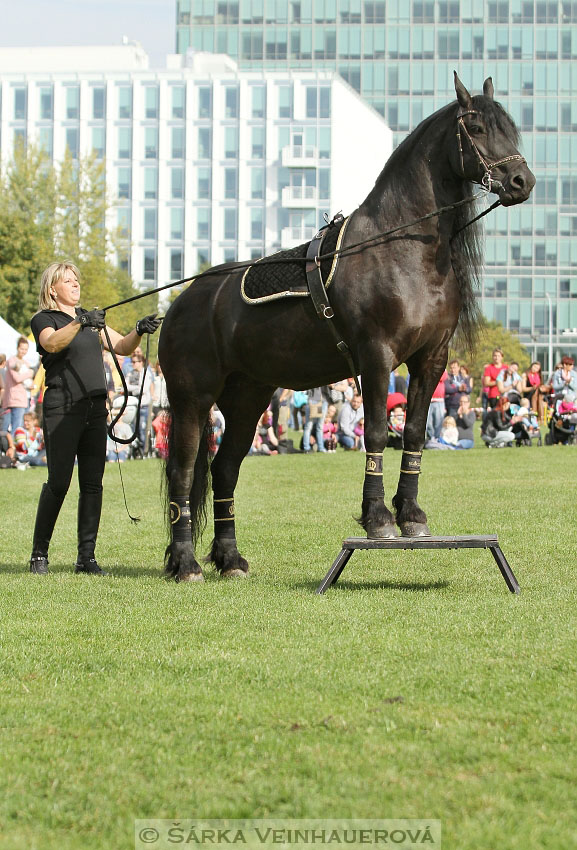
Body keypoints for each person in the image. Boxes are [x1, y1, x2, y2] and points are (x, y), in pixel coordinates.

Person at [28, 261, 161, 575]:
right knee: (59, 483)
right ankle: (38, 554)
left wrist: (138, 331)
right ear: (52, 288)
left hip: (94, 408)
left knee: (93, 484)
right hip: (62, 406)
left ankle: (86, 558)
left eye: (77, 280)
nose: (76, 284)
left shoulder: (90, 319)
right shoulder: (44, 319)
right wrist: (80, 322)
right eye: (68, 280)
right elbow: (51, 343)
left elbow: (122, 346)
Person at [2, 336, 35, 433]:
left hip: (24, 399)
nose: (23, 351)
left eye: (25, 349)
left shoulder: (26, 363)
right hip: (14, 398)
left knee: (21, 428)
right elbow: (17, 378)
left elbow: (27, 381)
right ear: (17, 348)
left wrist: (31, 383)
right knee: (15, 428)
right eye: (22, 348)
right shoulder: (12, 361)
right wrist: (30, 373)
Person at [302, 387, 326, 453]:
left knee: (319, 427)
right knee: (309, 426)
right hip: (313, 401)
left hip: (323, 401)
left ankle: (320, 447)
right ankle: (306, 448)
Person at [426, 371, 447, 439]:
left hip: (439, 401)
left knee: (438, 422)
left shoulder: (443, 369)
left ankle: (437, 438)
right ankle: (431, 437)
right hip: (428, 400)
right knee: (428, 422)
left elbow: (440, 377)